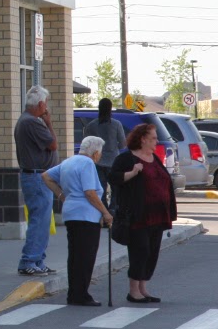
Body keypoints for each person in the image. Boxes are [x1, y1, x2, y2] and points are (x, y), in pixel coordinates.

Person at [109, 123, 176, 304]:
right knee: (140, 251)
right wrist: (133, 173)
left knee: (152, 252)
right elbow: (113, 178)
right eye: (153, 138)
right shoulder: (126, 158)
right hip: (137, 216)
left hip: (158, 215)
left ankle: (143, 288)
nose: (156, 141)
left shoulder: (154, 158)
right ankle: (133, 291)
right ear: (143, 139)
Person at [42, 135, 114, 306]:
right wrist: (105, 213)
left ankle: (74, 293)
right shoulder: (88, 163)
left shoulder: (69, 161)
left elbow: (46, 176)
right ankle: (81, 294)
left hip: (71, 213)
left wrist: (62, 195)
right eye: (100, 153)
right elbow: (90, 193)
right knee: (86, 256)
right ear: (95, 153)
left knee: (75, 255)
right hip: (86, 215)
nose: (100, 157)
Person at [14, 85, 59, 276]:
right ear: (40, 104)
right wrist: (48, 123)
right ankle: (29, 261)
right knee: (39, 221)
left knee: (42, 221)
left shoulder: (26, 121)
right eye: (46, 103)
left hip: (37, 176)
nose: (46, 107)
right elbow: (53, 144)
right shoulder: (32, 122)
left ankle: (38, 260)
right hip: (36, 177)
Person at [81, 98, 126, 209]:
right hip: (114, 162)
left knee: (100, 189)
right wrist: (115, 147)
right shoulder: (116, 124)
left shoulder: (91, 125)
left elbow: (86, 143)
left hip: (97, 162)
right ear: (110, 109)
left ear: (99, 108)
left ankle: (103, 210)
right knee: (116, 189)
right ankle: (113, 210)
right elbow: (123, 144)